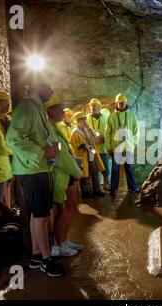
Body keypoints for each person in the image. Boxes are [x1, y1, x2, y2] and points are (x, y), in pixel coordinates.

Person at [6, 84, 64, 277]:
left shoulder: (36, 108)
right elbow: (12, 139)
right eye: (47, 87)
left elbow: (37, 136)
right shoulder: (27, 108)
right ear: (38, 88)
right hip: (31, 170)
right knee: (40, 216)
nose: (51, 91)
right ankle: (46, 261)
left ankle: (37, 255)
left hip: (37, 168)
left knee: (36, 215)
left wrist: (49, 146)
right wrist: (41, 151)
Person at [45, 95, 84, 257]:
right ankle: (58, 243)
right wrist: (76, 171)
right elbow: (61, 155)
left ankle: (64, 240)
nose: (62, 111)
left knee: (71, 207)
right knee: (64, 210)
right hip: (62, 174)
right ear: (50, 111)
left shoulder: (54, 127)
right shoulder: (49, 129)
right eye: (59, 109)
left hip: (66, 174)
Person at [105, 93, 140, 199]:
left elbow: (136, 130)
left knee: (129, 167)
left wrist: (134, 143)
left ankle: (132, 187)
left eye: (124, 102)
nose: (122, 104)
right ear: (116, 103)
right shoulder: (112, 116)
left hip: (128, 146)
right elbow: (108, 132)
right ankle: (114, 189)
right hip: (116, 147)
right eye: (120, 103)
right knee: (115, 169)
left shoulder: (131, 114)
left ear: (126, 103)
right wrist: (108, 147)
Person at [70, 112, 105, 198]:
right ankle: (86, 193)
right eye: (82, 120)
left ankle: (96, 190)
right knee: (85, 174)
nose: (84, 121)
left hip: (91, 153)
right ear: (77, 121)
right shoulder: (75, 132)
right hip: (83, 155)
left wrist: (90, 130)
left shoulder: (87, 129)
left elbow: (95, 138)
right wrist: (83, 145)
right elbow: (72, 144)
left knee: (95, 171)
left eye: (85, 119)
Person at [0, 91, 13, 208]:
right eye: (5, 102)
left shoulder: (8, 119)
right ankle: (4, 209)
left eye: (8, 102)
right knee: (2, 182)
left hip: (9, 153)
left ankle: (8, 207)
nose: (8, 104)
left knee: (9, 181)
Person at [87, 98, 111, 190]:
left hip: (102, 147)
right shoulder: (87, 118)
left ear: (99, 107)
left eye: (95, 106)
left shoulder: (105, 118)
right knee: (93, 168)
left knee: (105, 166)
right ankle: (95, 186)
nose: (93, 108)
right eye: (92, 106)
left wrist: (105, 140)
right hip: (91, 149)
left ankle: (106, 183)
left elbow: (109, 131)